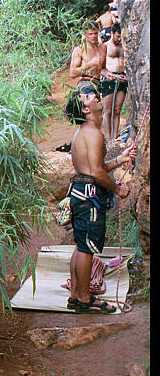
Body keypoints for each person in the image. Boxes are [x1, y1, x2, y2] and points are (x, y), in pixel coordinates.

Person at [62, 84, 136, 313]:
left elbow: (95, 167)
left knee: (81, 245)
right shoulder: (93, 134)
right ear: (86, 109)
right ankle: (84, 299)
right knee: (86, 249)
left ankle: (77, 295)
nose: (94, 95)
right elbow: (96, 172)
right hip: (89, 197)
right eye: (87, 96)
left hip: (80, 192)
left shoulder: (85, 132)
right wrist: (117, 190)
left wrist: (120, 159)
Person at [99, 22, 128, 142]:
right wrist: (112, 76)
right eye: (117, 36)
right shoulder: (104, 46)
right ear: (112, 33)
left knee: (117, 110)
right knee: (108, 110)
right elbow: (100, 68)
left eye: (121, 36)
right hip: (109, 79)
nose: (119, 39)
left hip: (122, 79)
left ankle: (115, 137)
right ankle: (108, 137)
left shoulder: (124, 46)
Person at [69, 21, 105, 91]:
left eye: (95, 33)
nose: (94, 36)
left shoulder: (103, 47)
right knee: (91, 95)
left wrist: (112, 75)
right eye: (90, 34)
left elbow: (103, 69)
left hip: (100, 82)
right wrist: (90, 64)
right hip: (86, 82)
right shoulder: (79, 50)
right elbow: (72, 74)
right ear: (84, 34)